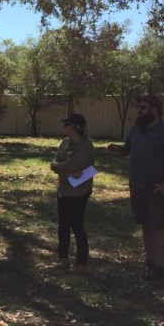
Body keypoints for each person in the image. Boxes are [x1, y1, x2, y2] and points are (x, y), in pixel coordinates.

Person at [108, 94, 164, 284]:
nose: (139, 111)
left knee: (157, 228)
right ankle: (149, 262)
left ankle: (160, 268)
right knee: (145, 226)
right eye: (139, 108)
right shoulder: (137, 130)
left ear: (155, 110)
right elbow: (128, 150)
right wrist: (116, 150)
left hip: (157, 189)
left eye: (143, 108)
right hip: (137, 187)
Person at [50, 113, 96, 273]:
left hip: (79, 191)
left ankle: (81, 263)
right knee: (63, 225)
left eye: (67, 125)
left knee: (76, 224)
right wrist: (62, 170)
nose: (64, 127)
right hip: (63, 190)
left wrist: (63, 169)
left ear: (76, 127)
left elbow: (71, 165)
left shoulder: (86, 146)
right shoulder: (64, 142)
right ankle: (63, 258)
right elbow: (54, 162)